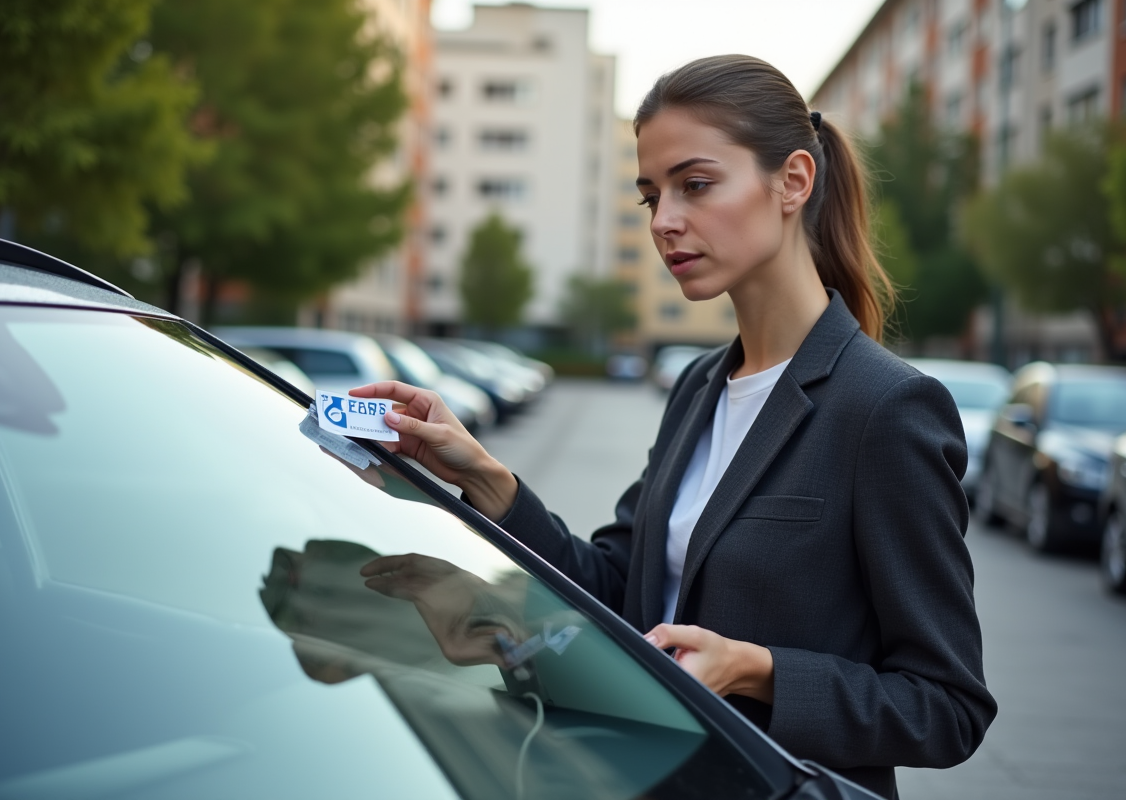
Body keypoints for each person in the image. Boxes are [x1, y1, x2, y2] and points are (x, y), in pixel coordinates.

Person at [352, 54, 996, 799]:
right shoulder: (698, 386)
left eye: (695, 185)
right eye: (649, 196)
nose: (664, 222)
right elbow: (621, 593)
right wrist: (482, 477)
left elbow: (948, 707)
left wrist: (759, 671)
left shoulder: (886, 409)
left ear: (792, 182)